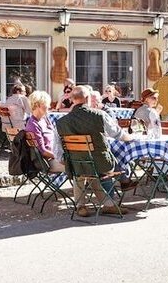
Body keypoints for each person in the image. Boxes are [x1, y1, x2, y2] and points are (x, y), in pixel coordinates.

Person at [56, 85, 137, 217]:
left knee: (82, 169)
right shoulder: (100, 115)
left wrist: (63, 160)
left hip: (75, 164)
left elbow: (58, 147)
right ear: (87, 98)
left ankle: (82, 206)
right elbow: (118, 135)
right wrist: (131, 137)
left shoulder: (61, 122)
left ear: (71, 99)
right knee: (91, 168)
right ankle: (107, 205)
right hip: (101, 162)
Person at [24, 91, 63, 172]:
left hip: (55, 155)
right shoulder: (33, 125)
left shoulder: (45, 119)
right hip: (47, 162)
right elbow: (43, 151)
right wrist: (61, 157)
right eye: (46, 104)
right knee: (78, 166)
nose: (49, 106)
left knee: (82, 163)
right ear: (37, 105)